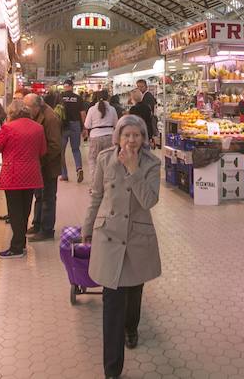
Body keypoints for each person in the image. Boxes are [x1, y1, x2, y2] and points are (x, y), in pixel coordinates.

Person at [82, 115, 161, 379]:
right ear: (118, 136)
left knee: (134, 290)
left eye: (136, 135)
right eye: (126, 135)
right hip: (109, 236)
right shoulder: (105, 159)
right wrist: (87, 227)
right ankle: (112, 369)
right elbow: (96, 195)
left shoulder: (151, 163)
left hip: (137, 237)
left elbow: (149, 200)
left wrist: (134, 169)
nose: (131, 140)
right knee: (112, 300)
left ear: (144, 138)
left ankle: (132, 327)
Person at [0, 100, 46, 258]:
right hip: (32, 174)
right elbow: (42, 151)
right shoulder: (38, 128)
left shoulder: (8, 127)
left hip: (13, 175)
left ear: (12, 113)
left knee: (15, 211)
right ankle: (22, 243)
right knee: (25, 210)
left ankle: (16, 247)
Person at [24, 93, 62, 242]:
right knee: (39, 195)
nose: (26, 111)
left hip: (48, 165)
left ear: (37, 106)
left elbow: (55, 145)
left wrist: (41, 160)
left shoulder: (51, 118)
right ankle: (37, 224)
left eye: (28, 108)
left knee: (48, 197)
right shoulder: (38, 113)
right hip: (40, 164)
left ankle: (47, 230)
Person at [84, 90, 119, 184]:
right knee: (109, 161)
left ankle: (95, 185)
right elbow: (116, 124)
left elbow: (87, 125)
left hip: (95, 137)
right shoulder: (112, 109)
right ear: (108, 97)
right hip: (109, 136)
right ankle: (108, 184)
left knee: (93, 160)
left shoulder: (92, 109)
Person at [60, 79, 87, 183]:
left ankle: (64, 175)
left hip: (63, 126)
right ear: (72, 86)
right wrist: (84, 128)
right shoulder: (78, 98)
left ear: (64, 86)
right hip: (75, 125)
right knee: (76, 149)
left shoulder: (60, 97)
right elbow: (82, 114)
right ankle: (79, 168)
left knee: (61, 152)